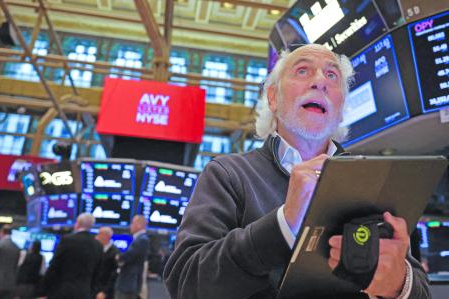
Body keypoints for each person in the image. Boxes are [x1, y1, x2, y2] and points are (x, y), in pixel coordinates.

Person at [163, 44, 430, 299]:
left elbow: (420, 290)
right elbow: (186, 283)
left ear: (340, 110)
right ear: (273, 98)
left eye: (331, 75)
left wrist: (399, 284)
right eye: (302, 71)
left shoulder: (370, 179)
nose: (320, 82)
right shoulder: (227, 174)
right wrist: (283, 224)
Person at [41, 213, 103, 299]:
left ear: (77, 224)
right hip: (84, 293)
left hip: (62, 291)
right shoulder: (98, 245)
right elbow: (97, 273)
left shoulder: (67, 240)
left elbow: (54, 266)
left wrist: (43, 290)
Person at [115, 215, 149, 299]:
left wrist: (118, 257)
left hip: (130, 283)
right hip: (129, 283)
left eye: (132, 223)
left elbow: (127, 256)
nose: (130, 225)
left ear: (139, 225)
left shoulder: (142, 240)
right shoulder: (138, 239)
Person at [95, 226, 120, 299]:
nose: (97, 236)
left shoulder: (115, 252)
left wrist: (104, 291)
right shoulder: (97, 249)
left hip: (106, 292)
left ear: (106, 236)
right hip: (94, 289)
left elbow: (114, 275)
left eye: (99, 234)